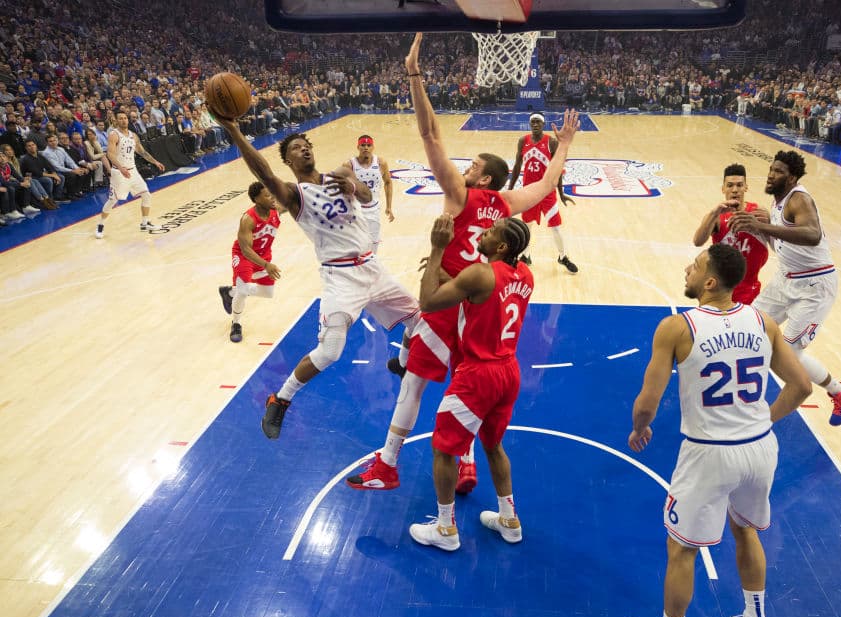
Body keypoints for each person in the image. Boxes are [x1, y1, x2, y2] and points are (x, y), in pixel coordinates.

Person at [345, 33, 578, 494]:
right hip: (479, 309)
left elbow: (429, 132)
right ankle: (467, 462)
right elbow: (550, 183)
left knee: (414, 383)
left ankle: (388, 464)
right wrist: (565, 143)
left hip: (446, 299)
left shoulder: (460, 194)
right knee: (462, 390)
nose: (465, 169)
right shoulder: (507, 202)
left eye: (472, 166)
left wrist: (414, 74)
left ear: (483, 176)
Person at [623, 243, 813, 617]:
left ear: (709, 281)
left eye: (696, 266)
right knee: (746, 533)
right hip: (760, 448)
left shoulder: (677, 327)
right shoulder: (762, 321)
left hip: (709, 454)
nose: (688, 268)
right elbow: (801, 386)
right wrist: (763, 419)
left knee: (681, 550)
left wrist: (640, 428)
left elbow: (647, 404)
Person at [209, 114, 421, 440]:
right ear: (288, 160)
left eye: (306, 145)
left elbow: (367, 196)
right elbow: (262, 171)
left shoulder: (340, 174)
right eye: (296, 148)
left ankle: (402, 363)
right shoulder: (294, 194)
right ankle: (280, 399)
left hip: (372, 268)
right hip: (340, 277)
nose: (304, 150)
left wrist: (353, 186)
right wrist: (233, 129)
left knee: (420, 319)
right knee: (330, 351)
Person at [407, 213, 534, 551]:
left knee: (443, 449)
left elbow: (428, 302)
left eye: (491, 232)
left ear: (501, 246)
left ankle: (445, 529)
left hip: (479, 375)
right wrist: (454, 278)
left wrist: (437, 251)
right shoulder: (524, 274)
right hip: (508, 371)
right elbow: (482, 296)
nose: (485, 232)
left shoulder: (480, 274)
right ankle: (509, 520)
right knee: (492, 445)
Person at [725, 151, 841, 426]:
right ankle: (735, 394)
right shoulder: (776, 203)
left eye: (778, 171)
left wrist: (766, 227)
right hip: (785, 280)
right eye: (771, 169)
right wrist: (762, 229)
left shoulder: (799, 198)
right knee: (748, 326)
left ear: (792, 177)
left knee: (787, 354)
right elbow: (784, 246)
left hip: (815, 286)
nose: (771, 174)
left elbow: (812, 235)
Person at [507, 112, 579, 272]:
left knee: (556, 227)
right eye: (533, 121)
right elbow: (518, 166)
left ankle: (563, 256)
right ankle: (525, 256)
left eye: (538, 121)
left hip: (547, 193)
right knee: (526, 227)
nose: (535, 124)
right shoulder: (522, 141)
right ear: (530, 124)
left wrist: (561, 193)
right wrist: (510, 189)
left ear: (543, 124)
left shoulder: (551, 142)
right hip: (529, 193)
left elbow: (557, 169)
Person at [692, 163, 769, 305]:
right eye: (730, 185)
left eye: (739, 185)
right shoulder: (716, 217)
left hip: (749, 291)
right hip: (720, 290)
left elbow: (776, 244)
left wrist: (769, 222)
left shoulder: (758, 212)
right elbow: (697, 241)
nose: (735, 190)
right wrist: (714, 213)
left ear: (746, 187)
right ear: (723, 189)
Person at [218, 181, 282, 343]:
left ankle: (229, 293)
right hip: (244, 256)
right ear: (256, 199)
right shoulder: (248, 219)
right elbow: (246, 249)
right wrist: (267, 265)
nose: (272, 197)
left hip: (264, 255)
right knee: (244, 289)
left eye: (271, 193)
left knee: (268, 293)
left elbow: (295, 203)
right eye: (267, 195)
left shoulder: (276, 210)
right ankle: (236, 324)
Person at [95, 111, 165, 239]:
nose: (123, 120)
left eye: (125, 118)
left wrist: (155, 162)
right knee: (112, 200)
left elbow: (142, 152)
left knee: (146, 195)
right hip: (119, 172)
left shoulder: (133, 135)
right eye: (120, 118)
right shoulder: (114, 135)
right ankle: (101, 225)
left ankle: (144, 223)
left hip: (132, 171)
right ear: (116, 121)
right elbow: (110, 154)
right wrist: (121, 168)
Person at [342, 134, 393, 254]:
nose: (366, 148)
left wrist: (389, 206)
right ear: (358, 147)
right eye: (363, 145)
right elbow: (341, 187)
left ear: (373, 147)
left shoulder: (381, 163)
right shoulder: (349, 165)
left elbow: (388, 183)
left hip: (373, 209)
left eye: (368, 145)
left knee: (374, 242)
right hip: (356, 210)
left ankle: (371, 265)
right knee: (356, 242)